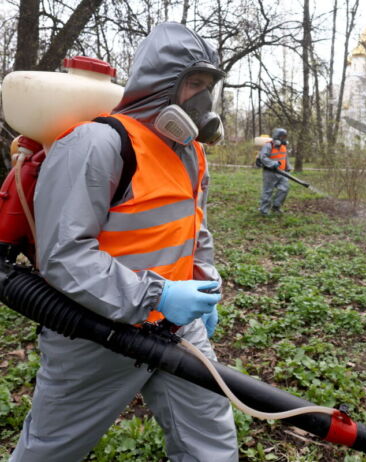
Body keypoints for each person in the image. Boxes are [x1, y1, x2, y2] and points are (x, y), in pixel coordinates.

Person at [10, 22, 238, 462]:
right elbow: (65, 255)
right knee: (50, 452)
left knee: (211, 446)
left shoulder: (190, 151)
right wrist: (160, 293)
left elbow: (194, 227)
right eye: (193, 83)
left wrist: (204, 285)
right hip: (95, 336)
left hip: (176, 331)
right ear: (160, 81)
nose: (202, 98)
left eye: (208, 86)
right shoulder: (99, 143)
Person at [258, 128, 291, 215]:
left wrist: (288, 167)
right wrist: (273, 163)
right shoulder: (268, 145)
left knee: (285, 188)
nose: (284, 139)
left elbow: (284, 158)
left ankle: (276, 207)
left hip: (282, 172)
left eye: (285, 137)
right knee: (268, 191)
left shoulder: (283, 147)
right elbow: (263, 158)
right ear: (277, 136)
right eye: (282, 137)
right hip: (270, 172)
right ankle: (263, 211)